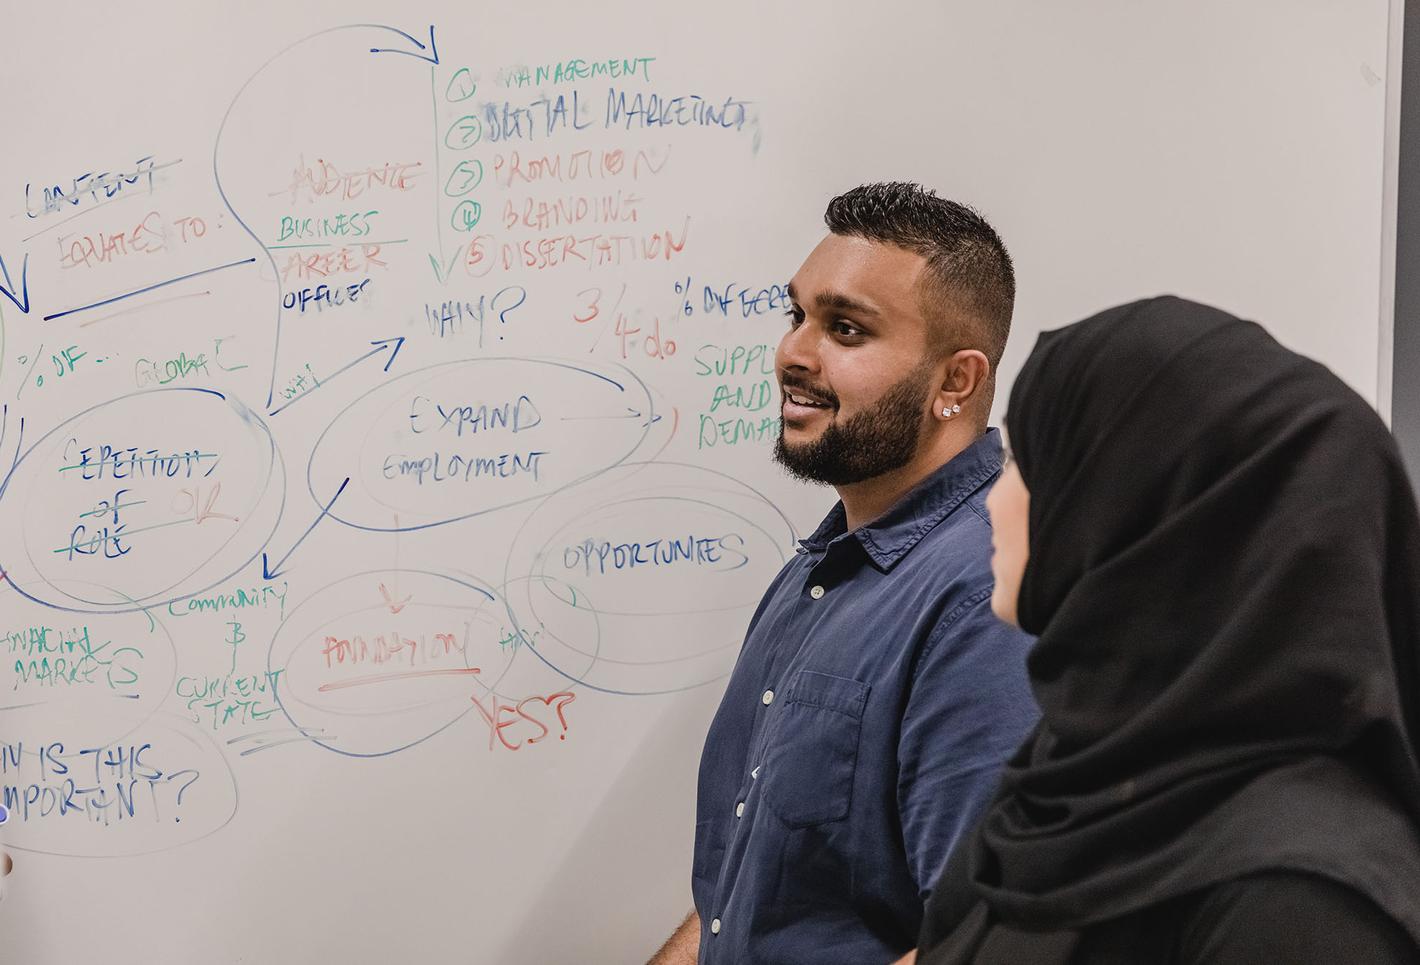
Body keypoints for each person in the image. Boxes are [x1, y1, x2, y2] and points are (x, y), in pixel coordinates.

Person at [912, 296, 1420, 964]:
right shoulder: (1069, 777)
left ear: (1137, 509)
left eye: (1026, 462)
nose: (992, 499)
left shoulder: (1297, 903)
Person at [648, 182, 1039, 964]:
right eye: (798, 315)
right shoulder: (820, 574)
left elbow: (990, 937)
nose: (793, 352)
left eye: (847, 329)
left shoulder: (986, 595)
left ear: (955, 383)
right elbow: (758, 900)